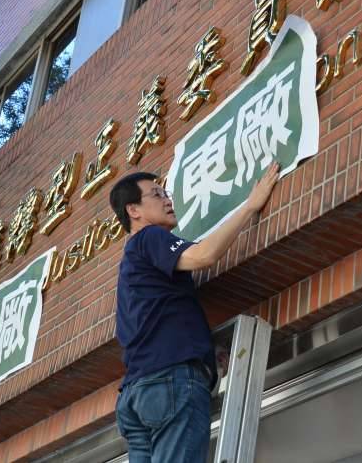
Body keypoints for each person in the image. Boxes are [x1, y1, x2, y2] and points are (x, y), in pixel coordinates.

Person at [109, 162, 280, 463]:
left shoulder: (131, 266)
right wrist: (250, 206)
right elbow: (204, 255)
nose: (167, 199)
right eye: (156, 194)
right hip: (168, 384)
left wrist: (205, 351)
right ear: (133, 210)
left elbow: (158, 320)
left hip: (135, 397)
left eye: (166, 192)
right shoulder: (149, 238)